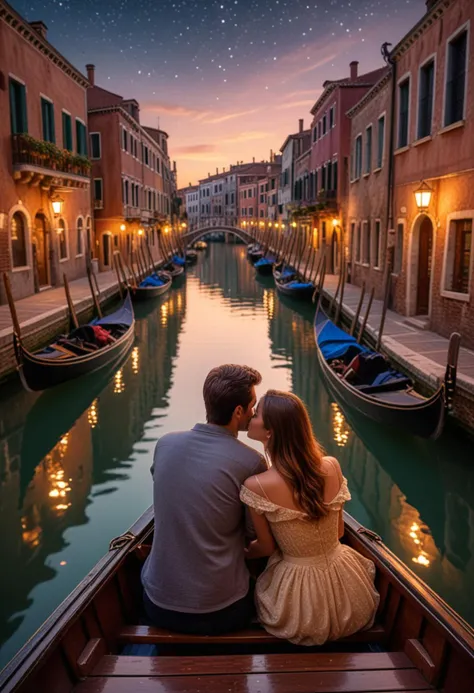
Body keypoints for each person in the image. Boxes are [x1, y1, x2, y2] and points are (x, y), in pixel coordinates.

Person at [241, 390, 379, 645]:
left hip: (297, 596)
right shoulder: (332, 466)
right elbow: (338, 533)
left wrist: (243, 553)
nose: (251, 417)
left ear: (270, 431)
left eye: (257, 413)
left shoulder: (256, 485)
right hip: (348, 585)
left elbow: (266, 547)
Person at [141, 364, 266, 634]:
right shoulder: (252, 462)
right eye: (252, 405)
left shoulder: (164, 444)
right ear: (238, 412)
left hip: (156, 606)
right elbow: (252, 532)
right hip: (223, 612)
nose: (254, 412)